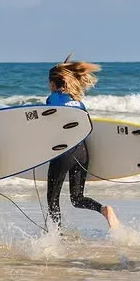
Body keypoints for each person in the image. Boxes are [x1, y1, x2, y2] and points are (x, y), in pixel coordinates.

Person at [46, 55, 119, 231]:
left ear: (53, 83)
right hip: (82, 153)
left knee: (52, 199)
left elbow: (47, 125)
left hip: (63, 152)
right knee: (77, 198)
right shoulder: (79, 102)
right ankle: (103, 209)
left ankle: (56, 236)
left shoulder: (53, 99)